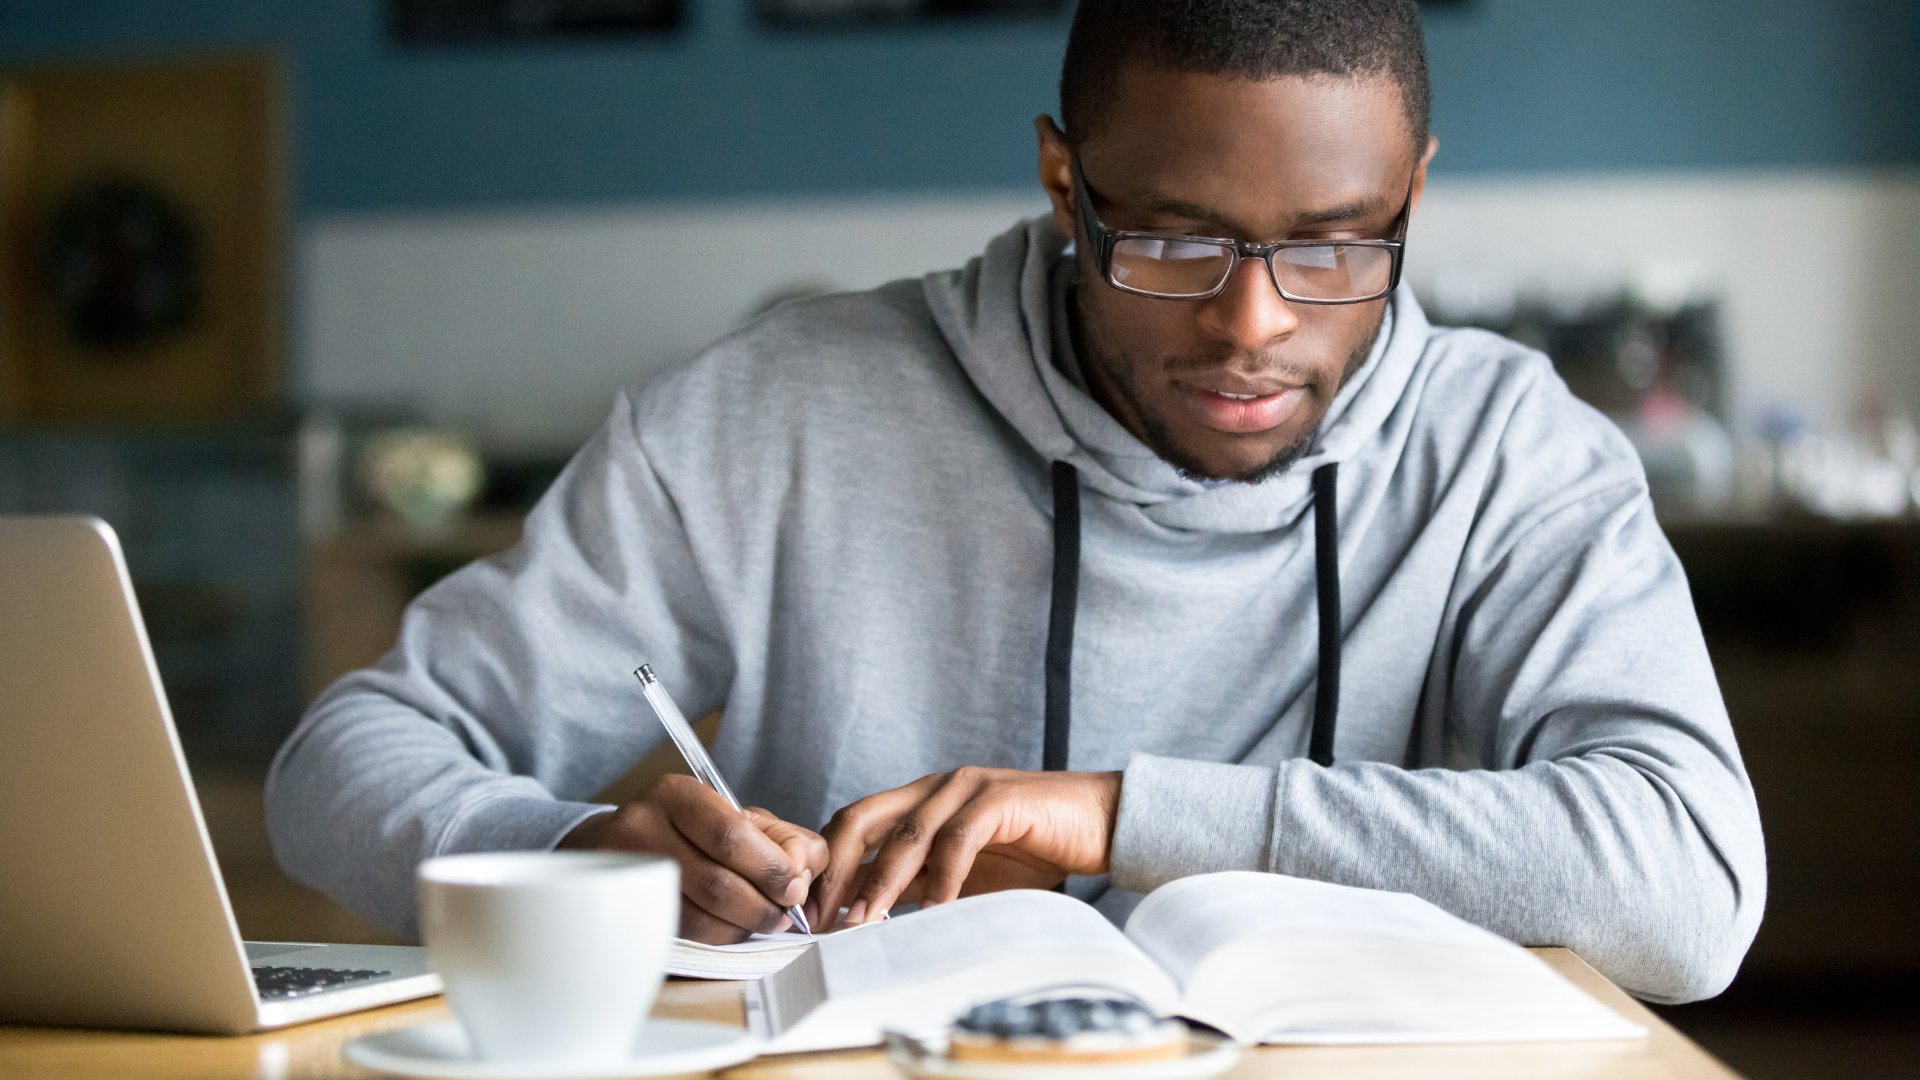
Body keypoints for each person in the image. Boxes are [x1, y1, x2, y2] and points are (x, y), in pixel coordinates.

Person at [267, 0, 1765, 1004]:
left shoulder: (1511, 454)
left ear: (1413, 193)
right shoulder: (777, 409)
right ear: (1067, 184)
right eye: (1174, 244)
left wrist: (1109, 815)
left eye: (1334, 246)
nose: (1253, 326)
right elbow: (342, 760)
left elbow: (1690, 889)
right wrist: (575, 854)